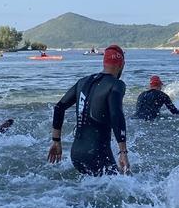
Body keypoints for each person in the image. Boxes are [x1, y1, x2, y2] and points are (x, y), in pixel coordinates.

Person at [48, 44, 129, 175]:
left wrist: (56, 141)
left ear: (104, 63)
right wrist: (123, 152)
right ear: (122, 64)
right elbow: (116, 115)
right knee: (124, 181)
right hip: (97, 153)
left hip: (76, 154)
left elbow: (59, 107)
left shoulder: (83, 81)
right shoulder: (117, 85)